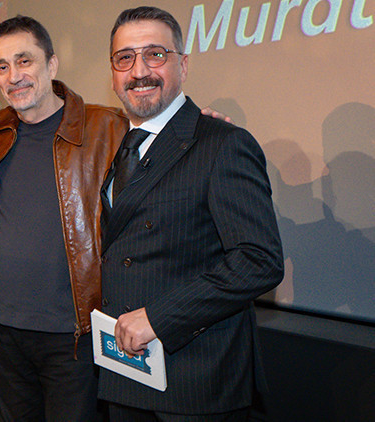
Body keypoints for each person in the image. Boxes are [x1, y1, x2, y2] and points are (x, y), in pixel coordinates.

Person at [99, 7, 284, 421]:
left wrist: (159, 318)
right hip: (126, 372)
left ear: (182, 65)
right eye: (125, 58)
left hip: (195, 383)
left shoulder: (223, 143)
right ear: (112, 74)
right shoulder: (124, 144)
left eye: (155, 55)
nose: (139, 71)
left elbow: (259, 260)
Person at [0, 16, 129, 420]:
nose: (13, 76)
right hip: (3, 328)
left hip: (73, 334)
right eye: (2, 66)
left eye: (24, 61)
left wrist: (199, 127)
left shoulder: (108, 126)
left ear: (51, 64)